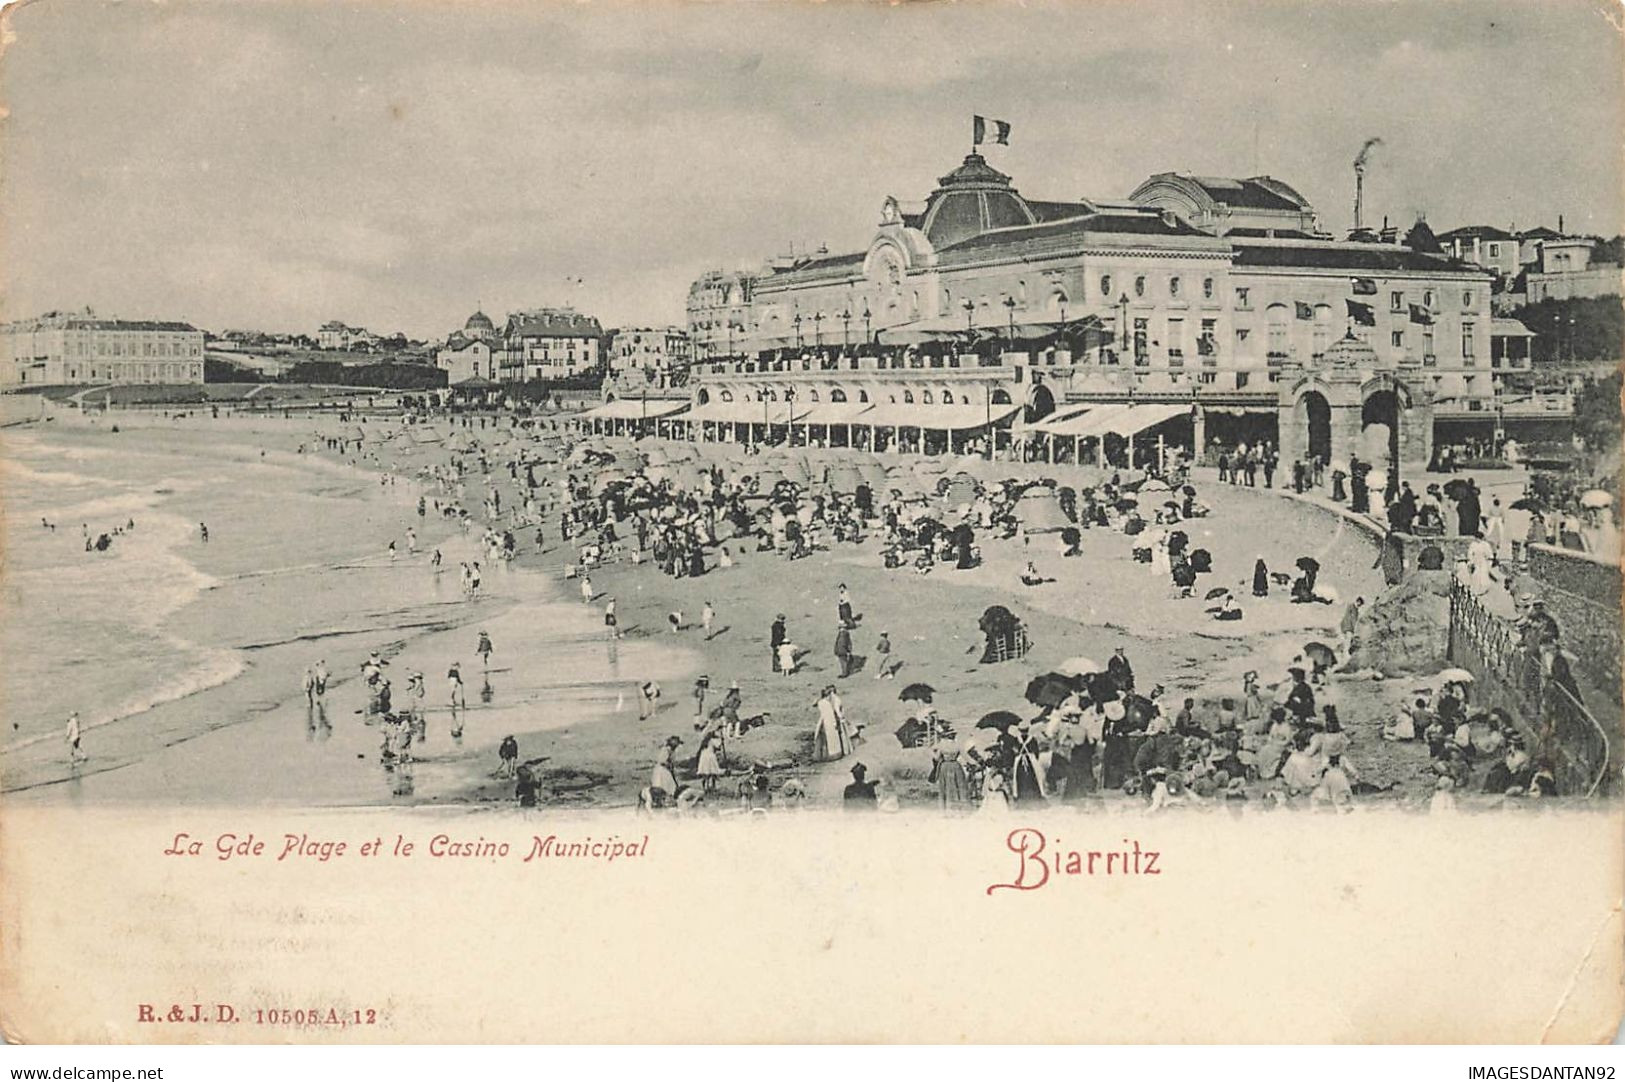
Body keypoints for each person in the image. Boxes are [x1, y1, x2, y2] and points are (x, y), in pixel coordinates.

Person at [812, 685, 851, 761]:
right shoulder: (827, 703)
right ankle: (835, 754)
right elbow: (831, 714)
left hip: (825, 722)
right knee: (832, 739)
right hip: (830, 722)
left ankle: (826, 754)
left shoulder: (821, 702)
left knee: (824, 739)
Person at [931, 738, 970, 812]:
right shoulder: (957, 745)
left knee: (945, 787)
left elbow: (937, 758)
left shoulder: (942, 745)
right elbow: (964, 756)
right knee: (958, 786)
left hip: (945, 766)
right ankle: (958, 807)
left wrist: (933, 753)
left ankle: (947, 807)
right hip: (956, 766)